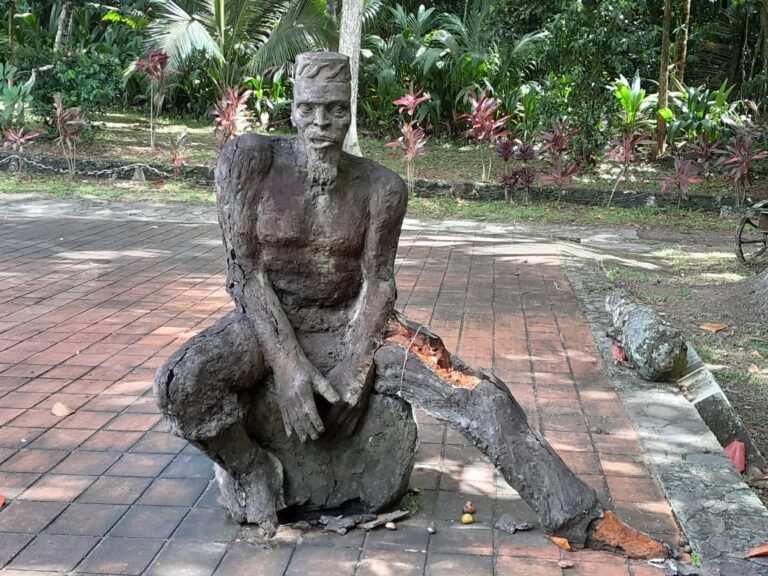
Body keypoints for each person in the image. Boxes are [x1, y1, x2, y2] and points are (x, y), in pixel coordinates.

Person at [154, 52, 408, 534]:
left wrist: (357, 365)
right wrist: (288, 363)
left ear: (350, 112)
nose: (321, 124)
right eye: (309, 109)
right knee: (180, 385)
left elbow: (379, 281)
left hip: (344, 320)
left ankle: (564, 510)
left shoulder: (383, 187)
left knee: (478, 397)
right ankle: (252, 469)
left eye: (335, 109)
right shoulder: (250, 161)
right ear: (292, 110)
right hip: (268, 319)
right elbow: (243, 272)